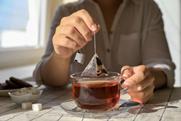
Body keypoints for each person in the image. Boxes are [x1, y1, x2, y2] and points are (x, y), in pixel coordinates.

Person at [33, 0, 175, 103]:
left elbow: (163, 68)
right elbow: (46, 78)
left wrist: (147, 77)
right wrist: (60, 56)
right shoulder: (66, 12)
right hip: (82, 103)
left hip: (131, 107)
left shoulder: (147, 8)